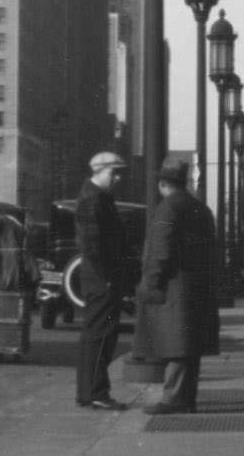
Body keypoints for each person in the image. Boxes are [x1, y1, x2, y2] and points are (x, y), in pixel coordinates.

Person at [133, 154, 220, 414]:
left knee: (176, 345)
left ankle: (174, 399)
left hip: (173, 287)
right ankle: (186, 397)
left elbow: (160, 250)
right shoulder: (201, 209)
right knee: (188, 346)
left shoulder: (167, 208)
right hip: (197, 286)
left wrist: (149, 284)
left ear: (162, 184)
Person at [74, 150, 130, 410]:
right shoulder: (94, 200)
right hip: (102, 280)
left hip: (99, 278)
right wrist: (108, 278)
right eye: (113, 172)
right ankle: (96, 391)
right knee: (100, 335)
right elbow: (93, 245)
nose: (117, 177)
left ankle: (91, 391)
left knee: (96, 335)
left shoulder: (96, 197)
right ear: (99, 171)